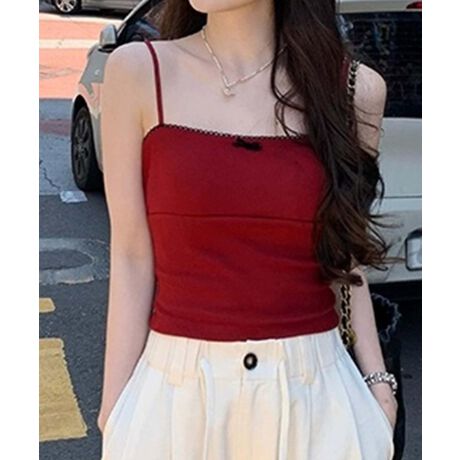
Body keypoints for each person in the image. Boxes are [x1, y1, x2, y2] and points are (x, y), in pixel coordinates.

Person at [97, 0, 398, 458]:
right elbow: (131, 253)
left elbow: (344, 256)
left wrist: (378, 386)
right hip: (174, 400)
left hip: (320, 400)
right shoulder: (138, 72)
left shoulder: (354, 91)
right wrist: (114, 411)